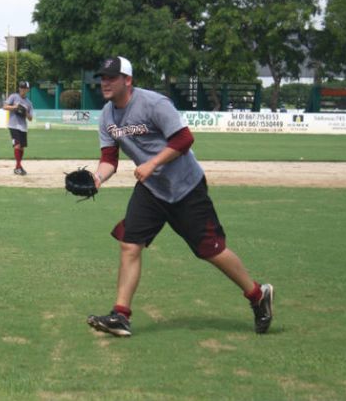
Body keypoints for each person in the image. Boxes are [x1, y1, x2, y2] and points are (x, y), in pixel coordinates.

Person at [86, 56, 273, 337]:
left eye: (112, 77)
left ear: (128, 80)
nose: (105, 82)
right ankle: (121, 315)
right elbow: (109, 159)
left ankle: (258, 294)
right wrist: (97, 178)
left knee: (210, 250)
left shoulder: (153, 103)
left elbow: (184, 139)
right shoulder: (107, 115)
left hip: (186, 187)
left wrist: (152, 163)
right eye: (103, 77)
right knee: (130, 244)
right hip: (151, 190)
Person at [3, 80, 34, 175]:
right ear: (19, 88)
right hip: (13, 125)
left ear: (28, 90)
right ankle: (18, 167)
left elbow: (30, 118)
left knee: (22, 148)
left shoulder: (29, 103)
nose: (22, 89)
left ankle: (18, 167)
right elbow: (4, 107)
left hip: (23, 127)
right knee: (17, 145)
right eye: (21, 87)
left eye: (25, 88)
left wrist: (26, 112)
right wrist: (15, 107)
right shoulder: (14, 96)